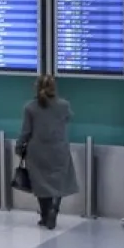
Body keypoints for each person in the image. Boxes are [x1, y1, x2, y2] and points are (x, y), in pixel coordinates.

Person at [17, 74, 78, 230]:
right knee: (58, 182)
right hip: (59, 150)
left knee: (41, 184)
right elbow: (67, 118)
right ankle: (54, 210)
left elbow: (26, 131)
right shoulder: (64, 105)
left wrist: (19, 146)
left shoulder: (30, 107)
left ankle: (45, 215)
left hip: (37, 151)